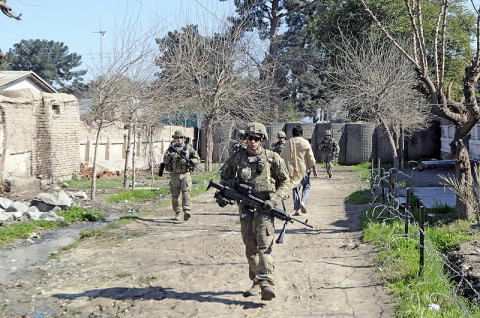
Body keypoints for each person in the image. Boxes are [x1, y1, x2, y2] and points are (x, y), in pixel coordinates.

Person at [215, 122, 289, 301]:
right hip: (245, 208)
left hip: (265, 207)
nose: (253, 141)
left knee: (264, 246)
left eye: (256, 138)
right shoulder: (237, 157)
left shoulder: (272, 158)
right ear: (246, 139)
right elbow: (224, 178)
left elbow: (285, 183)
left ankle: (267, 283)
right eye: (250, 138)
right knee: (250, 248)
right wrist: (224, 193)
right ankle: (256, 281)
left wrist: (273, 200)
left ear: (262, 140)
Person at [163, 128, 200, 221]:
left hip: (185, 174)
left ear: (183, 138)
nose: (179, 140)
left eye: (180, 138)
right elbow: (164, 161)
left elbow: (197, 158)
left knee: (186, 193)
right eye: (177, 138)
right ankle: (177, 212)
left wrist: (190, 162)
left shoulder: (188, 148)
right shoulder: (171, 149)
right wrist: (171, 156)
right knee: (175, 196)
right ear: (174, 139)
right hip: (174, 175)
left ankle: (186, 210)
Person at [280, 125, 317, 215]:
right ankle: (303, 202)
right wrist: (314, 169)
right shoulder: (305, 143)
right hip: (304, 170)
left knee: (295, 188)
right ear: (301, 133)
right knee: (307, 186)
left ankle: (297, 210)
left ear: (292, 133)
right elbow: (311, 157)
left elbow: (281, 156)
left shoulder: (288, 143)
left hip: (292, 171)